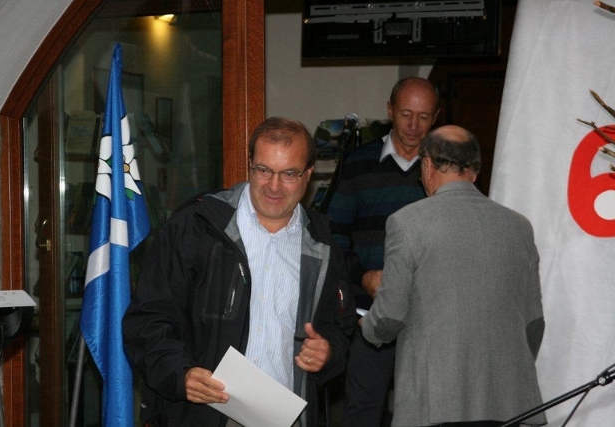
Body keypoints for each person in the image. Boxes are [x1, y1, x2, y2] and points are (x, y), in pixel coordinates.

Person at [122, 117, 356, 427]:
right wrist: (180, 374)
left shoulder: (322, 244)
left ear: (308, 173)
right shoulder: (197, 226)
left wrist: (329, 353)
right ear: (249, 164)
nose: (274, 186)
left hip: (286, 416)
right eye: (264, 170)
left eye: (289, 174)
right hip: (204, 414)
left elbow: (340, 328)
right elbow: (148, 319)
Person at [360, 125, 547, 427]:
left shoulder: (407, 223)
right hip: (511, 404)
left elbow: (389, 317)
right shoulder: (519, 226)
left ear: (427, 165)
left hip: (435, 406)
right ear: (475, 171)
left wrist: (368, 327)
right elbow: (534, 324)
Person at [326, 77, 440, 426]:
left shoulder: (445, 169)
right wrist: (363, 277)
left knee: (427, 414)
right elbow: (332, 236)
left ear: (435, 118)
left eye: (424, 116)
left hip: (429, 318)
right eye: (406, 114)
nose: (414, 125)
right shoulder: (359, 164)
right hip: (368, 314)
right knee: (363, 411)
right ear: (390, 111)